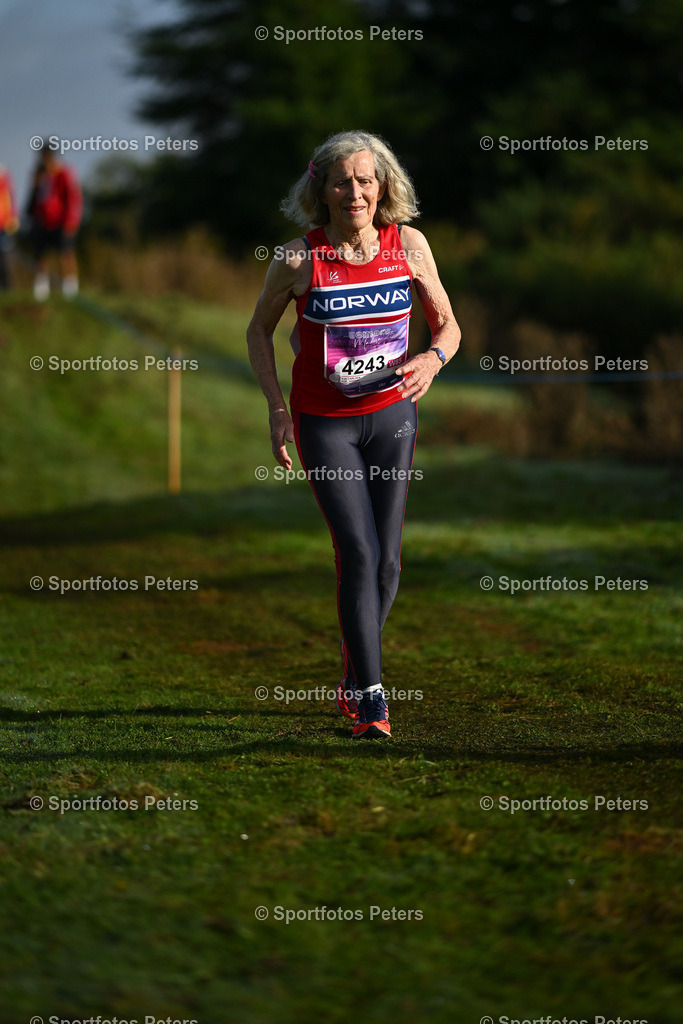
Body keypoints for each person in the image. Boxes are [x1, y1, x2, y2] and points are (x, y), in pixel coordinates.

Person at [247, 130, 461, 739]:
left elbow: (448, 327)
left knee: (389, 566)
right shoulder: (296, 259)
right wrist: (276, 408)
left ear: (384, 186)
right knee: (359, 553)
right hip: (326, 426)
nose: (356, 192)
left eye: (366, 180)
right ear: (322, 189)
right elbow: (258, 332)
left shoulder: (410, 246)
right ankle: (372, 702)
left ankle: (353, 670)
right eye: (342, 181)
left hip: (393, 418)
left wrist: (432, 361)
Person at [26, 141, 82, 300]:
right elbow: (34, 198)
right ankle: (41, 290)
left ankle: (70, 289)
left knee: (66, 253)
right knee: (40, 254)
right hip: (42, 222)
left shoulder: (64, 172)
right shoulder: (39, 174)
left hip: (61, 221)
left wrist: (71, 220)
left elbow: (73, 197)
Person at [0, 164, 18, 291]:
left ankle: (8, 287)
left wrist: (13, 217)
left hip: (4, 225)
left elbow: (11, 198)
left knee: (5, 256)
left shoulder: (4, 175)